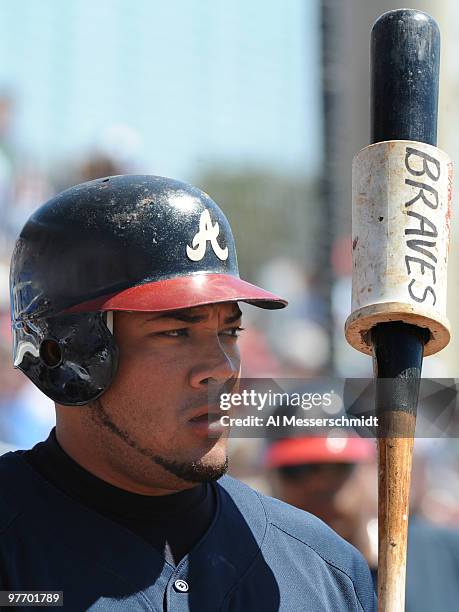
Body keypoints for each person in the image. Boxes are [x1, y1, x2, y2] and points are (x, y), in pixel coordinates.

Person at [0, 175, 376, 611]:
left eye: (230, 330)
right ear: (66, 352)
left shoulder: (326, 573)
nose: (222, 367)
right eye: (177, 332)